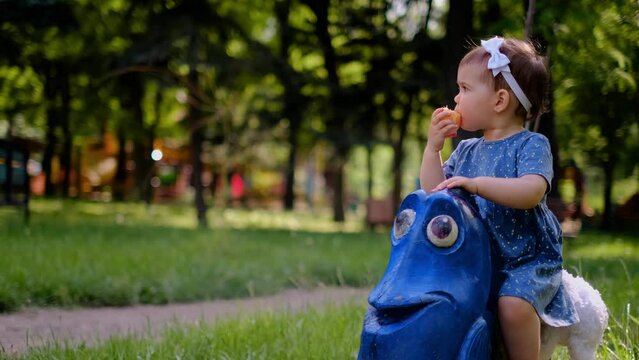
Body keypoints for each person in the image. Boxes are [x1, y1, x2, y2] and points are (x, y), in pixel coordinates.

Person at [419, 37, 578, 359]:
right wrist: (432, 149)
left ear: (500, 100)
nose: (455, 97)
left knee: (512, 305)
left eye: (464, 89)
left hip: (525, 259)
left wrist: (477, 185)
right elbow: (434, 194)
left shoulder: (531, 145)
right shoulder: (465, 150)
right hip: (478, 261)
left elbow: (531, 192)